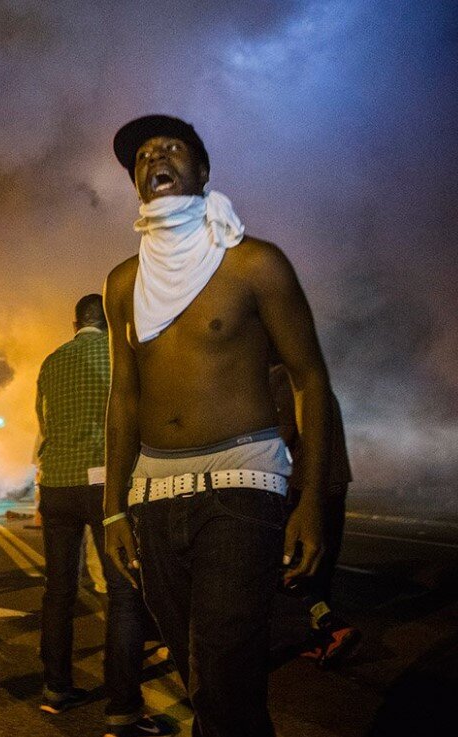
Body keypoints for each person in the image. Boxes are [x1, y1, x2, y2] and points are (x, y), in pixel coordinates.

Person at [103, 115, 329, 737]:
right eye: (143, 156)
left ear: (202, 172)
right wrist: (114, 510)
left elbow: (311, 378)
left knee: (225, 666)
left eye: (171, 148)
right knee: (196, 669)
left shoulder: (254, 264)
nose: (155, 158)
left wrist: (310, 497)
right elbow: (123, 398)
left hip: (242, 483)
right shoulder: (123, 281)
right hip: (154, 491)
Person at [34, 294, 171, 736]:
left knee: (59, 590)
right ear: (108, 323)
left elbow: (44, 423)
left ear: (74, 322)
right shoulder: (119, 354)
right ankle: (123, 710)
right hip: (104, 485)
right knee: (123, 593)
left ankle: (56, 688)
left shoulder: (51, 361)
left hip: (56, 483)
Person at [270, 362, 361, 667]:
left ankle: (331, 628)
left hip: (306, 489)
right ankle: (321, 639)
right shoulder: (314, 381)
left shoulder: (285, 378)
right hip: (334, 484)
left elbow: (280, 438)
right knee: (319, 567)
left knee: (294, 572)